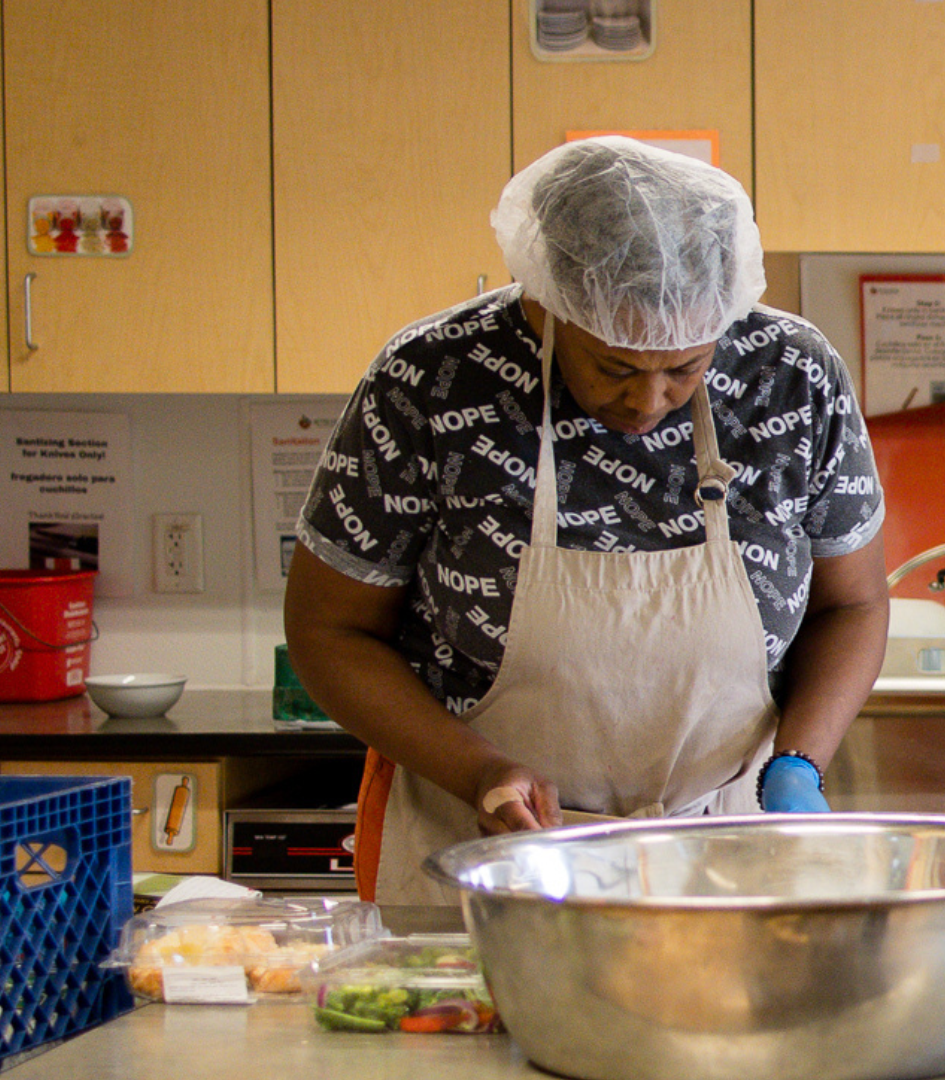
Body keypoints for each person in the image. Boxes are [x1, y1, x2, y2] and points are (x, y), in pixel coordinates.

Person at [284, 136, 890, 905]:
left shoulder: (791, 378)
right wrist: (478, 770)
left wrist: (799, 761)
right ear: (549, 303)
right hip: (491, 859)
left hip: (728, 853)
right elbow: (328, 629)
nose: (648, 401)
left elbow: (855, 602)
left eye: (684, 368)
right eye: (614, 367)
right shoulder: (432, 382)